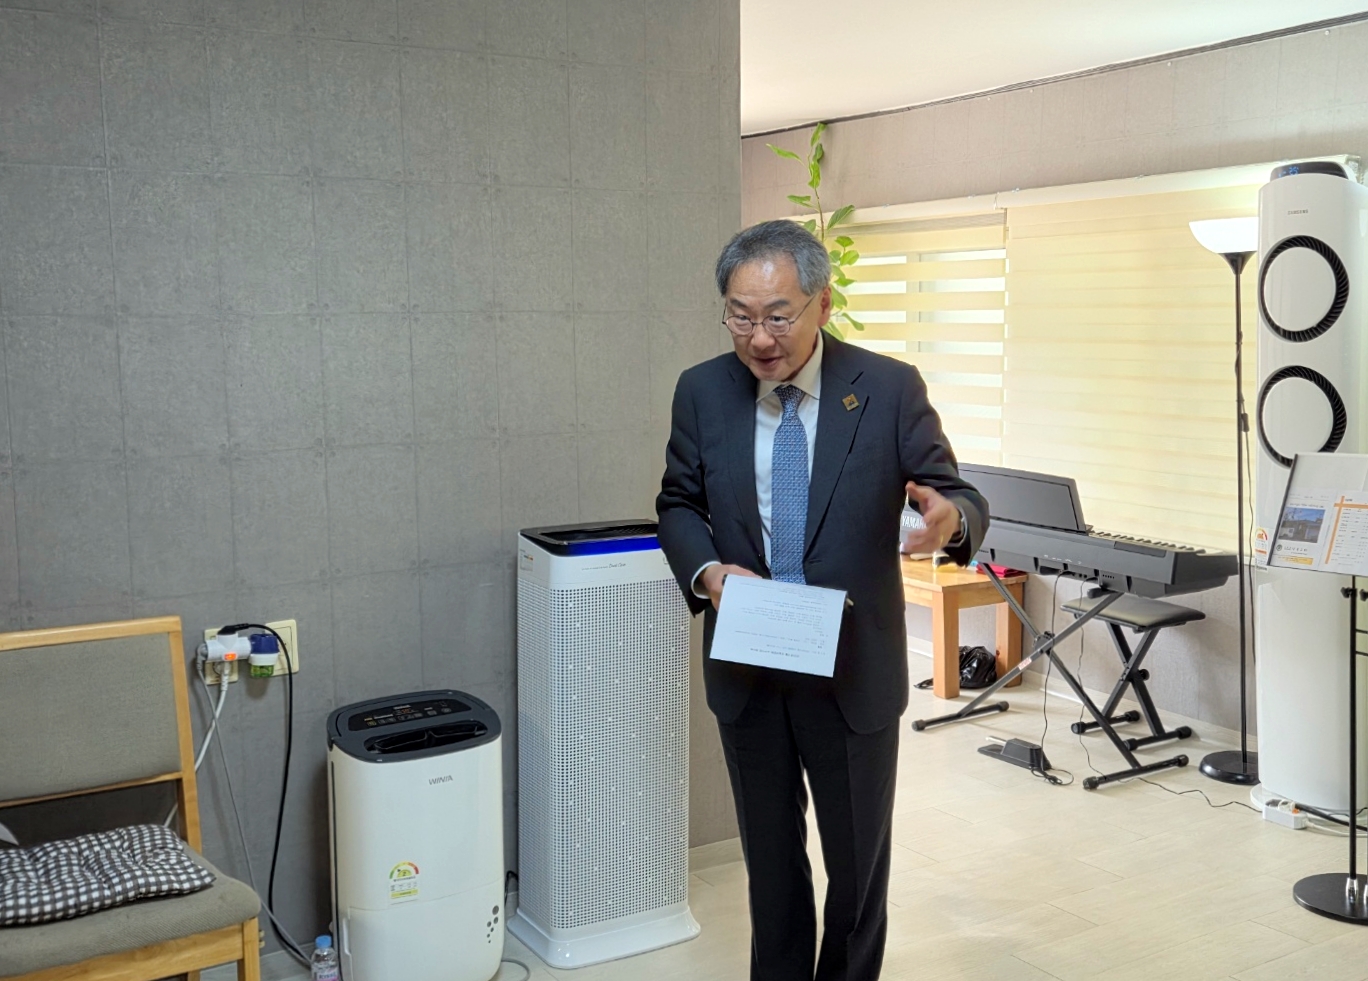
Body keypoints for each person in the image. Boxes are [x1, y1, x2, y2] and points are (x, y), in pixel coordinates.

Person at [655, 219, 988, 981]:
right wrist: (707, 573)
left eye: (779, 316)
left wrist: (950, 520)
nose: (758, 338)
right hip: (750, 664)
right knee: (771, 872)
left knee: (856, 875)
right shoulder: (702, 390)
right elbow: (678, 503)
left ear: (823, 304)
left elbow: (957, 492)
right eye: (740, 315)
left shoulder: (888, 387)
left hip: (851, 669)